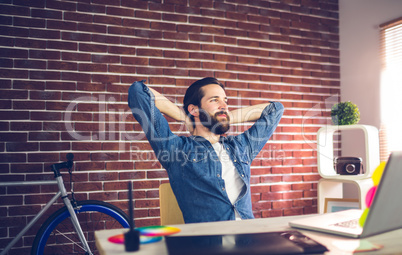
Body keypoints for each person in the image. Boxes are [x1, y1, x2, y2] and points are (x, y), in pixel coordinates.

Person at [128, 78, 284, 223]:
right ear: (194, 109)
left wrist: (225, 116)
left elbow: (275, 109)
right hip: (209, 245)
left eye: (225, 100)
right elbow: (138, 91)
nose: (224, 105)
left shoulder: (241, 146)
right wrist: (185, 117)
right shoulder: (176, 149)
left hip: (250, 240)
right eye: (214, 100)